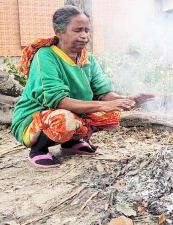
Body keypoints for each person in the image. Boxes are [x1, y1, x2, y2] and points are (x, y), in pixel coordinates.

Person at [11, 6, 154, 168]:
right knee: (65, 120)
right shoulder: (45, 56)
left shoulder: (87, 58)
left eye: (87, 30)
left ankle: (71, 143)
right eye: (78, 30)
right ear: (59, 31)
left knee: (111, 113)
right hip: (33, 119)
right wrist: (104, 105)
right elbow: (57, 101)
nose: (84, 36)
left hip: (69, 112)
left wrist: (125, 99)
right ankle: (38, 149)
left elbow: (102, 92)